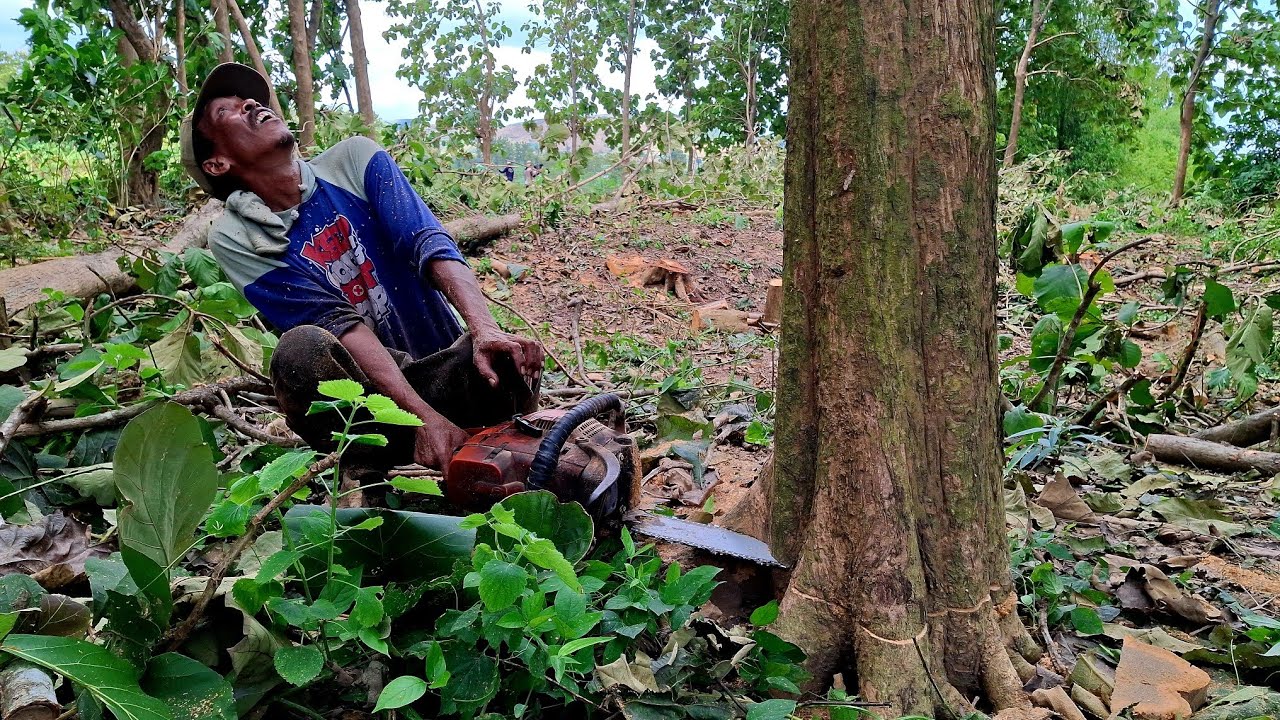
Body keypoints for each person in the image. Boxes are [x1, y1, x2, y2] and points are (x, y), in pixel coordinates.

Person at [179, 63, 544, 482]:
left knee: (506, 356)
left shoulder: (354, 159)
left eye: (253, 100)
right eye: (229, 111)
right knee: (299, 353)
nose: (251, 104)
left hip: (449, 375)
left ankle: (502, 444)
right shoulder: (237, 237)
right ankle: (374, 472)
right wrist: (420, 419)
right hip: (369, 410)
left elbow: (427, 242)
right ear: (217, 165)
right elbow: (338, 323)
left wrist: (484, 329)